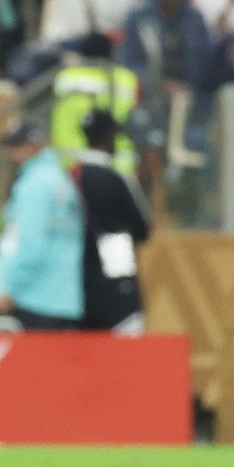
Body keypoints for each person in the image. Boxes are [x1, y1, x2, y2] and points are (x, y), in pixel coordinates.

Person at [0, 121, 84, 330]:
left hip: (34, 298)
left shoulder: (35, 184)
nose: (11, 155)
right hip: (63, 296)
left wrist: (9, 288)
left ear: (35, 146)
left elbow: (29, 245)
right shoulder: (60, 179)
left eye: (17, 147)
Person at [72, 110, 150, 333]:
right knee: (125, 334)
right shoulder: (116, 179)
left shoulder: (72, 175)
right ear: (109, 137)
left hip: (78, 274)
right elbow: (141, 229)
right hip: (116, 265)